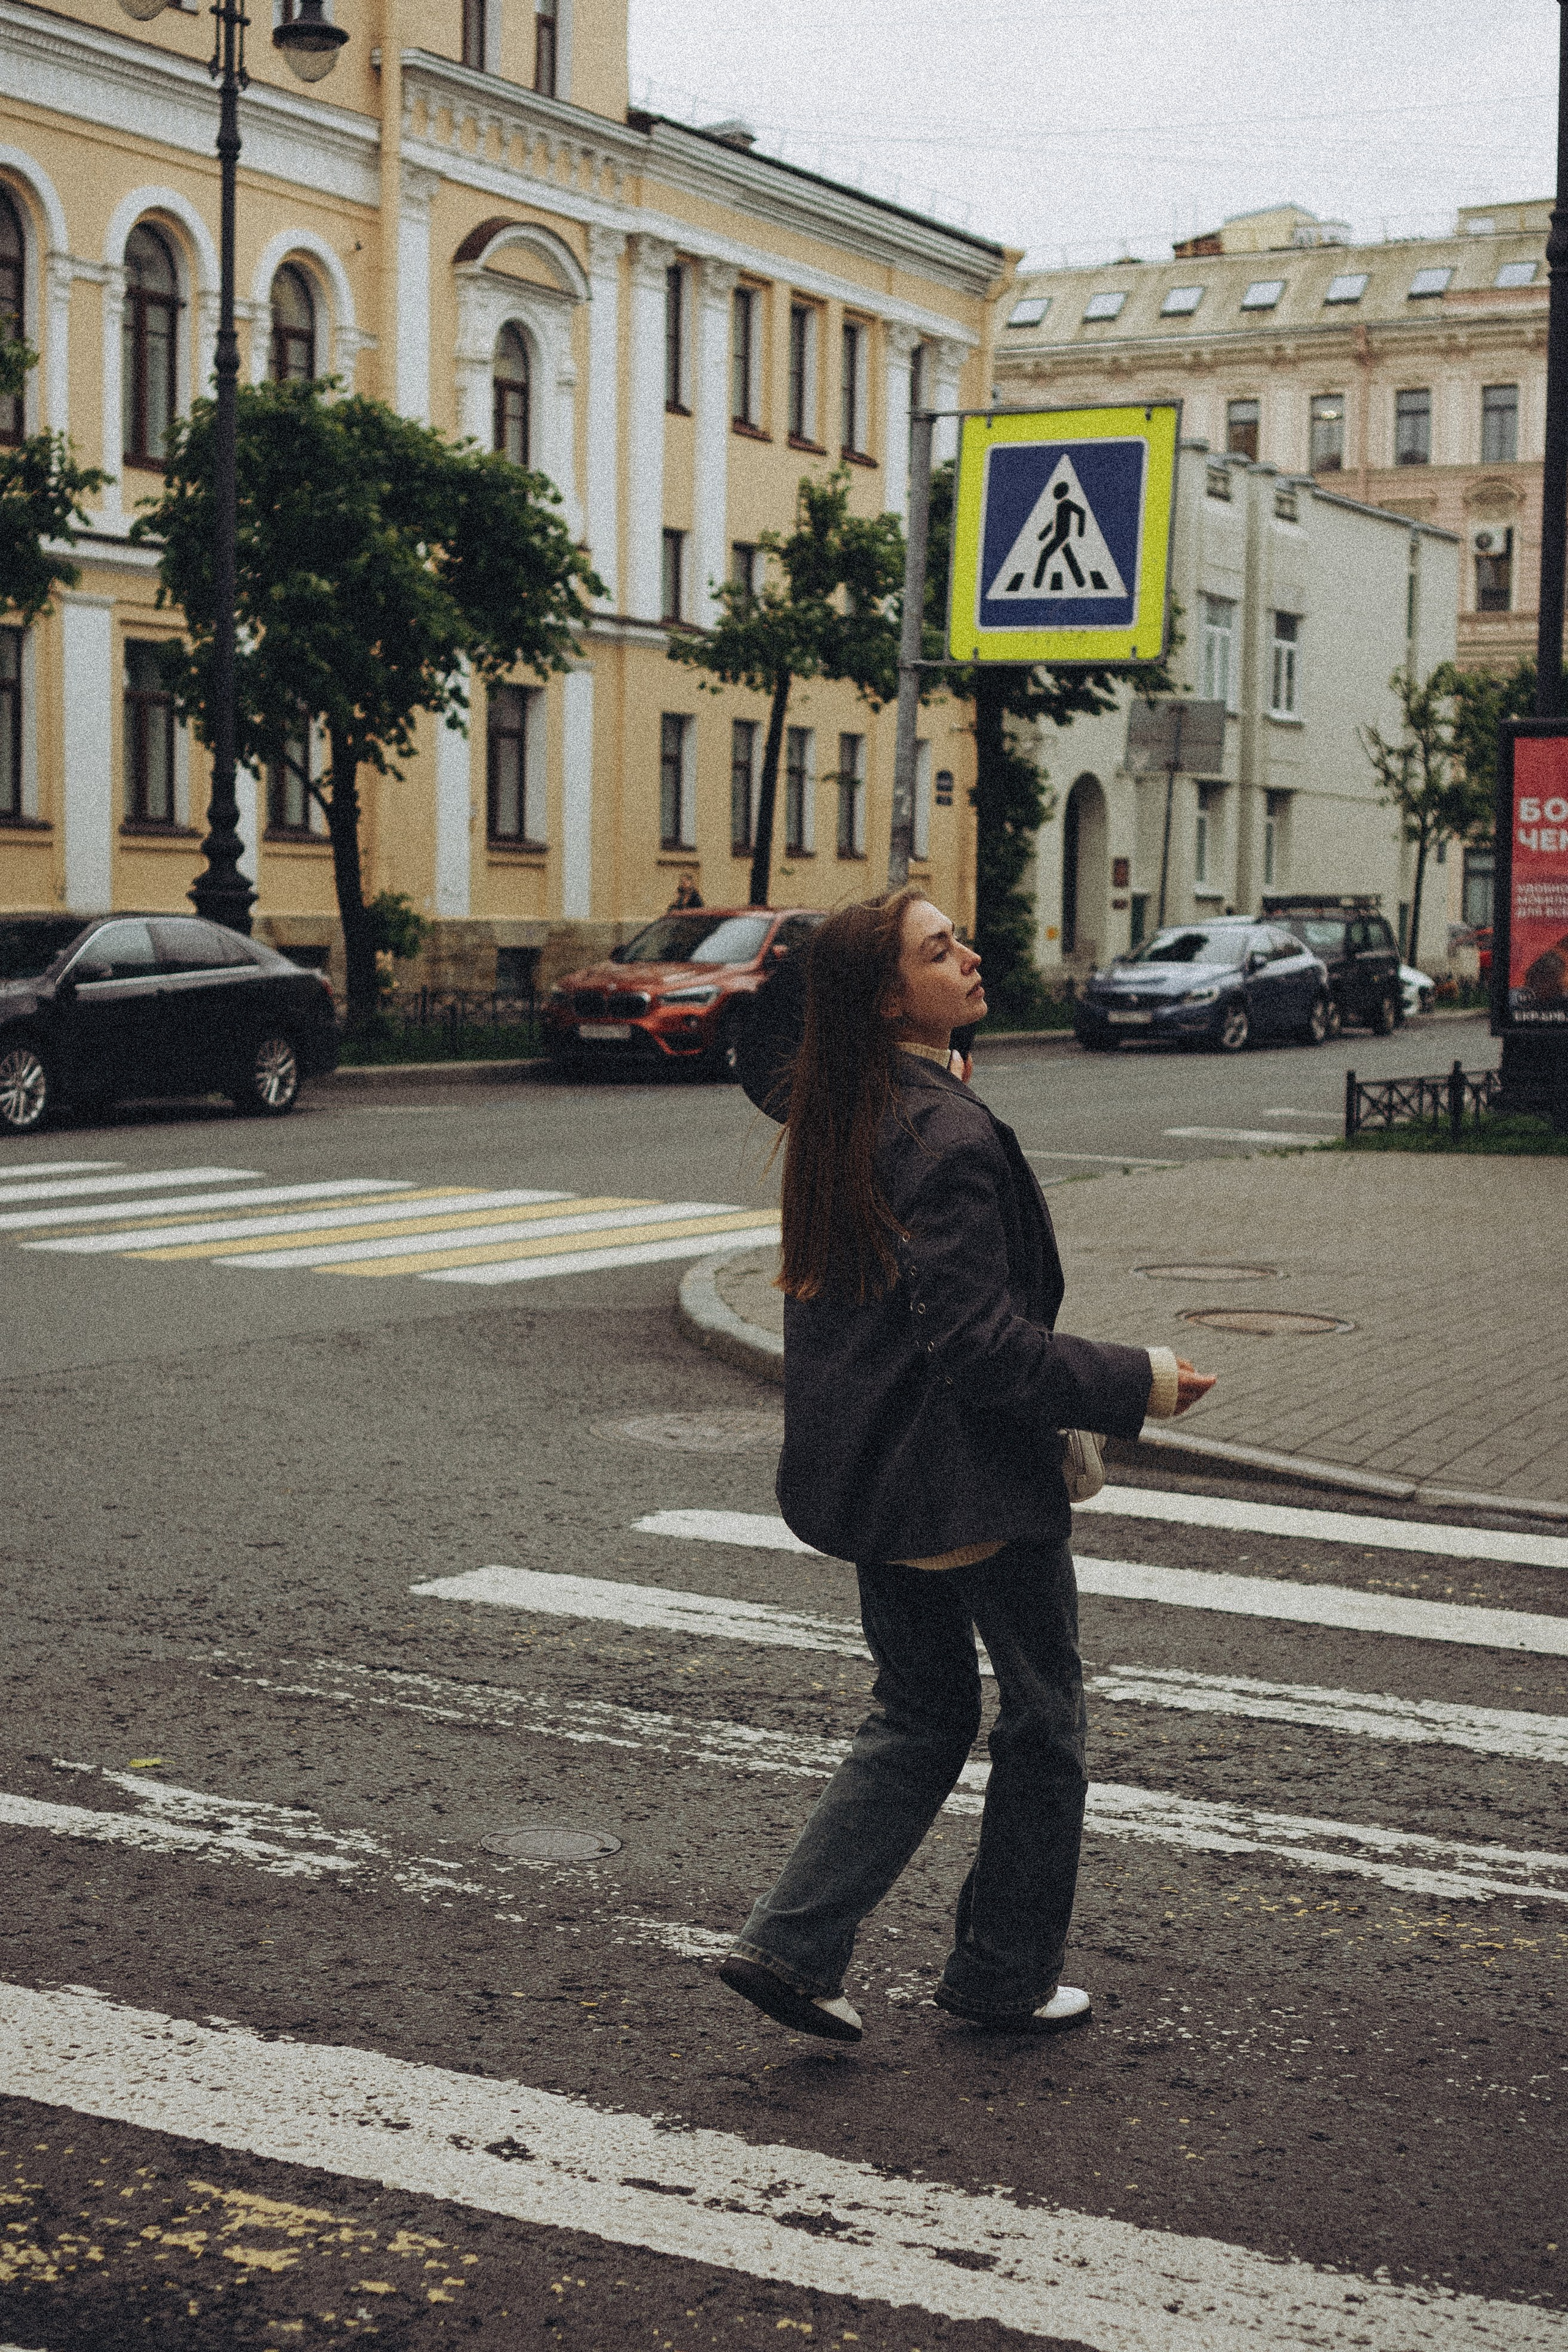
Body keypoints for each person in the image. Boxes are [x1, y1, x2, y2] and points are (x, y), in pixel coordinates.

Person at [718, 887, 1215, 2044]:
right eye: (940, 951)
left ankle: (792, 1944)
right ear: (891, 995)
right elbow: (982, 1348)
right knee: (1043, 1720)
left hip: (876, 1469)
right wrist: (1139, 1380)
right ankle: (1002, 1975)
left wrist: (824, 961)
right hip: (971, 1478)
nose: (973, 957)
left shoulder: (837, 1097)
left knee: (921, 1708)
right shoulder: (944, 1136)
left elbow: (767, 1047)